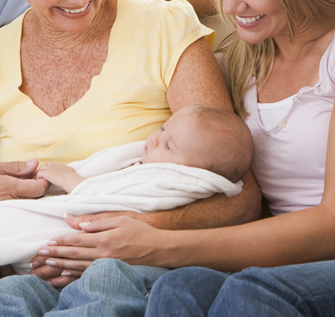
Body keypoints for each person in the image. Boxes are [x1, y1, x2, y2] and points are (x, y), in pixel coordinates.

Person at [35, 0, 335, 317]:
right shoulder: (252, 31)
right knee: (177, 292)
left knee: (250, 296)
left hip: (323, 259)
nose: (231, 4)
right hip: (268, 260)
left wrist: (161, 245)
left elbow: (334, 226)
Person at [0, 0, 260, 317]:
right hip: (22, 269)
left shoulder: (162, 27)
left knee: (104, 285)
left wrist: (130, 233)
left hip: (131, 265)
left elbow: (239, 195)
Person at [0, 105, 252, 274]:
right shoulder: (155, 161)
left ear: (197, 174)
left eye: (169, 146)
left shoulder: (172, 182)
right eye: (163, 128)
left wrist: (72, 181)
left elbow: (110, 202)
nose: (153, 138)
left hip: (80, 245)